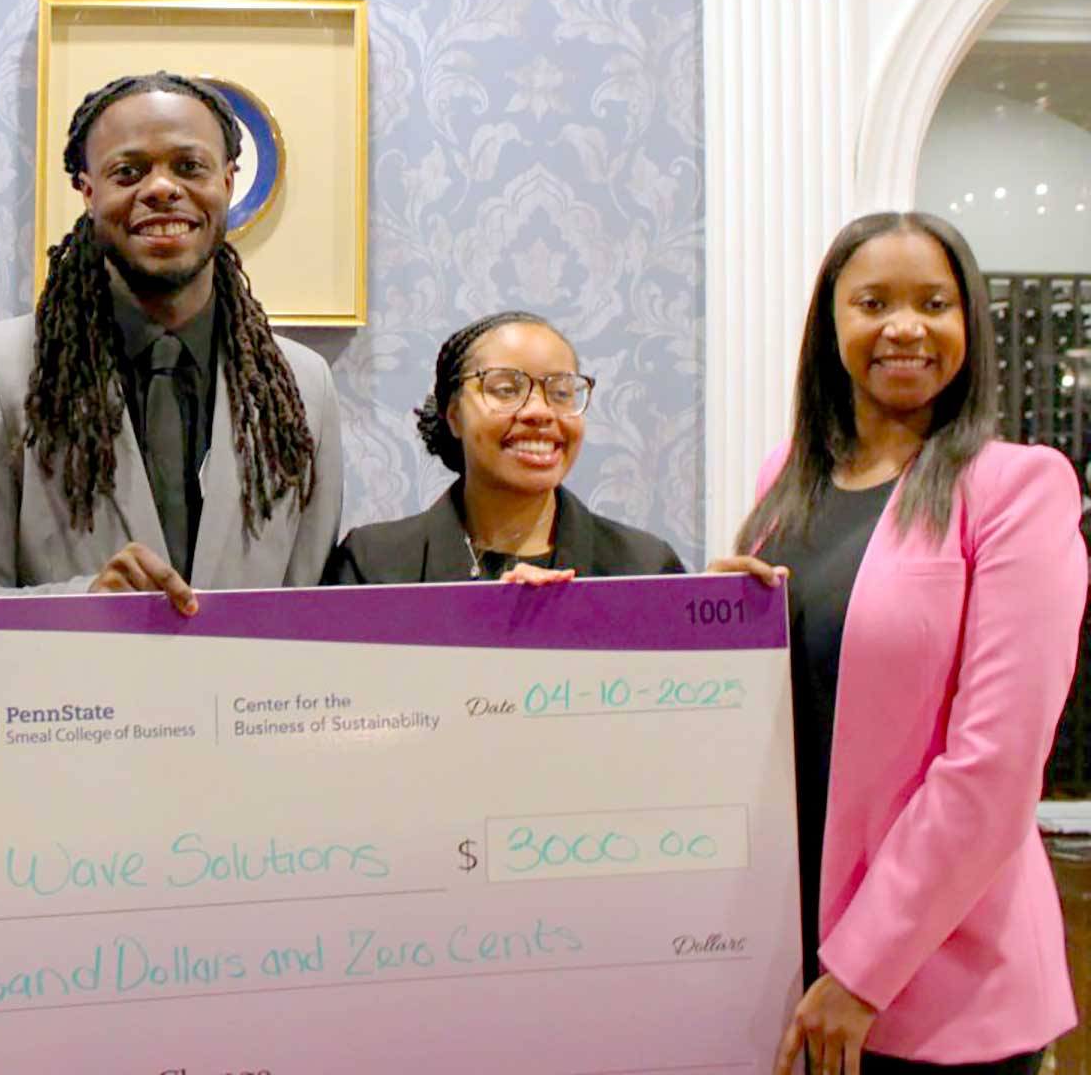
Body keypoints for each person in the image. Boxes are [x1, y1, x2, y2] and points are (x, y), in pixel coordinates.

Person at [712, 212, 1084, 1075]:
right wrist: (717, 617)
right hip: (786, 950)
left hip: (936, 980)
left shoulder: (1018, 488)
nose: (905, 327)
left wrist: (861, 971)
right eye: (874, 302)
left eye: (934, 304)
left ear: (969, 323)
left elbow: (994, 766)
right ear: (831, 325)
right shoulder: (787, 479)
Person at [0, 72, 342, 608]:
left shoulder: (304, 387)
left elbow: (310, 605)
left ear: (227, 182)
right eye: (128, 171)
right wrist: (86, 602)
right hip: (68, 666)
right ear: (88, 191)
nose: (162, 189)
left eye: (189, 167)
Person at [324, 311, 682, 584]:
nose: (540, 411)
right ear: (454, 416)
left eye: (561, 392)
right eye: (507, 390)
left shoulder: (645, 568)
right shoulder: (374, 563)